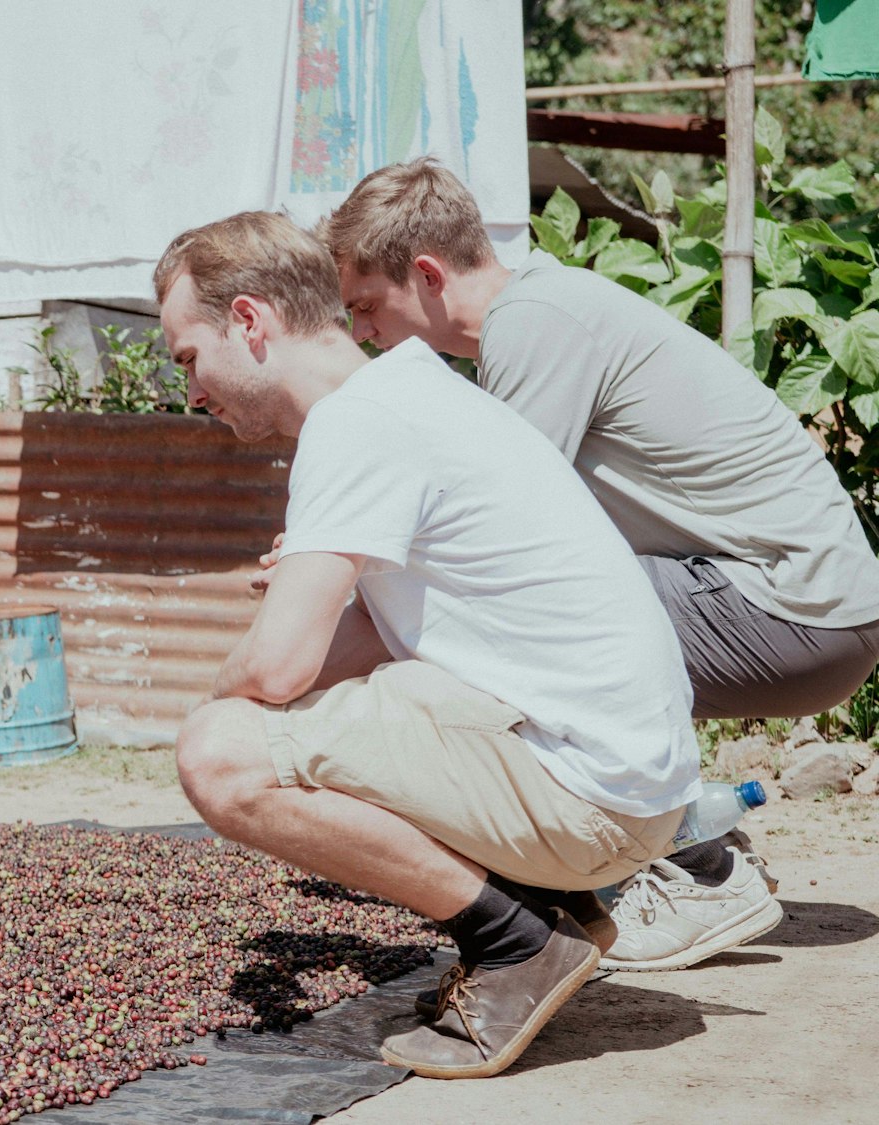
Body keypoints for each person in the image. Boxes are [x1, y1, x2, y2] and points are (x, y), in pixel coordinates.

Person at [157, 213, 701, 1079]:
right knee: (301, 711)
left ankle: (518, 940)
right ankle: (550, 902)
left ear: (251, 322)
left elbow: (278, 665)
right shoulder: (412, 391)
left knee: (220, 754)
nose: (191, 391)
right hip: (625, 779)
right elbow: (376, 632)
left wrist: (217, 702)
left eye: (189, 358)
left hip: (595, 797)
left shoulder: (355, 425)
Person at [316, 157, 879, 971]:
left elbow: (492, 545)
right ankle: (692, 840)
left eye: (367, 306)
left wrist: (340, 553)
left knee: (493, 616)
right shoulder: (547, 310)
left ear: (428, 276)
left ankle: (702, 872)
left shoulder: (534, 324)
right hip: (804, 607)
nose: (364, 333)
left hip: (794, 609)